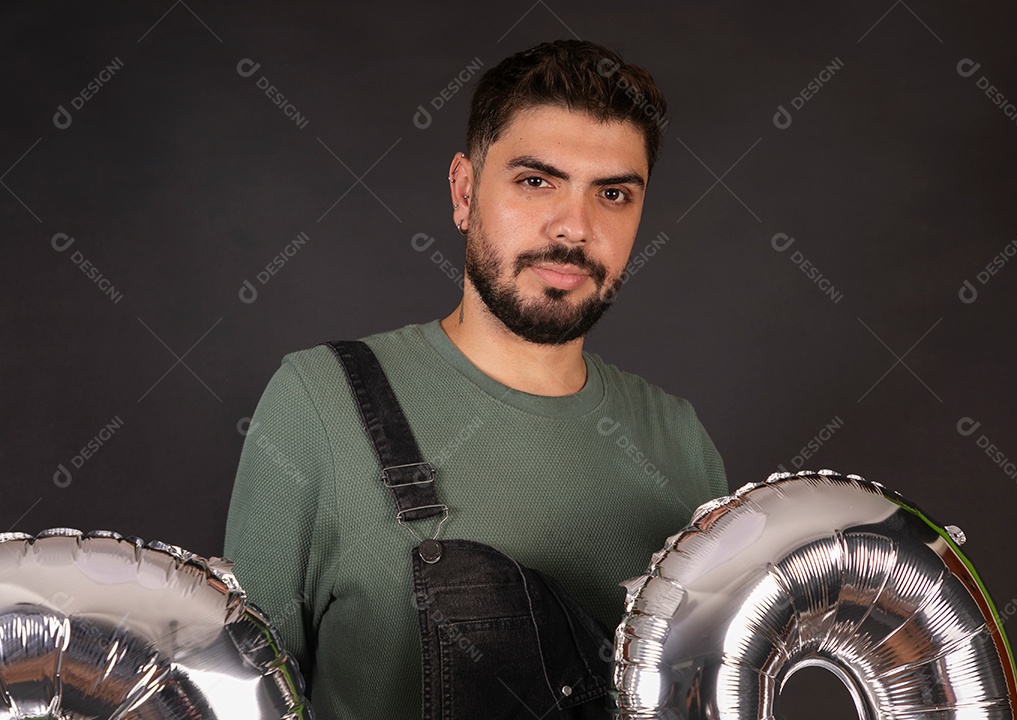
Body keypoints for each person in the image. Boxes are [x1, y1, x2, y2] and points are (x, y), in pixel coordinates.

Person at [224, 39, 727, 719]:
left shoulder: (681, 444)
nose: (574, 228)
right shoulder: (318, 402)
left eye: (612, 194)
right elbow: (235, 700)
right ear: (465, 191)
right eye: (536, 181)